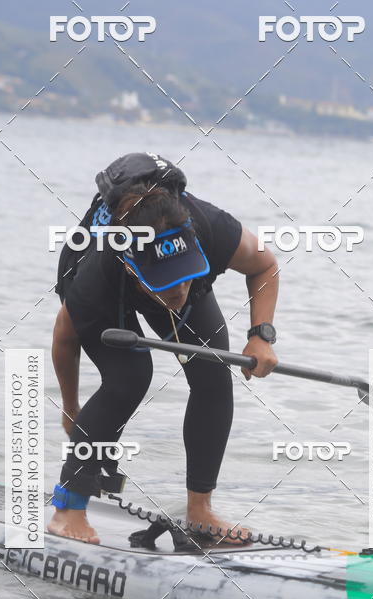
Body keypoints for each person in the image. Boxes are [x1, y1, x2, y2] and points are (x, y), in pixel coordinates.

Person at [49, 152, 279, 545]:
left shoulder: (210, 228)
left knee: (212, 373)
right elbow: (64, 339)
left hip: (160, 255)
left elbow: (265, 267)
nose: (178, 292)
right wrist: (71, 409)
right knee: (130, 379)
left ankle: (200, 512)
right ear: (133, 269)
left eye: (185, 278)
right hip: (107, 289)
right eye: (166, 281)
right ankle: (68, 509)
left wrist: (261, 334)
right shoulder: (100, 267)